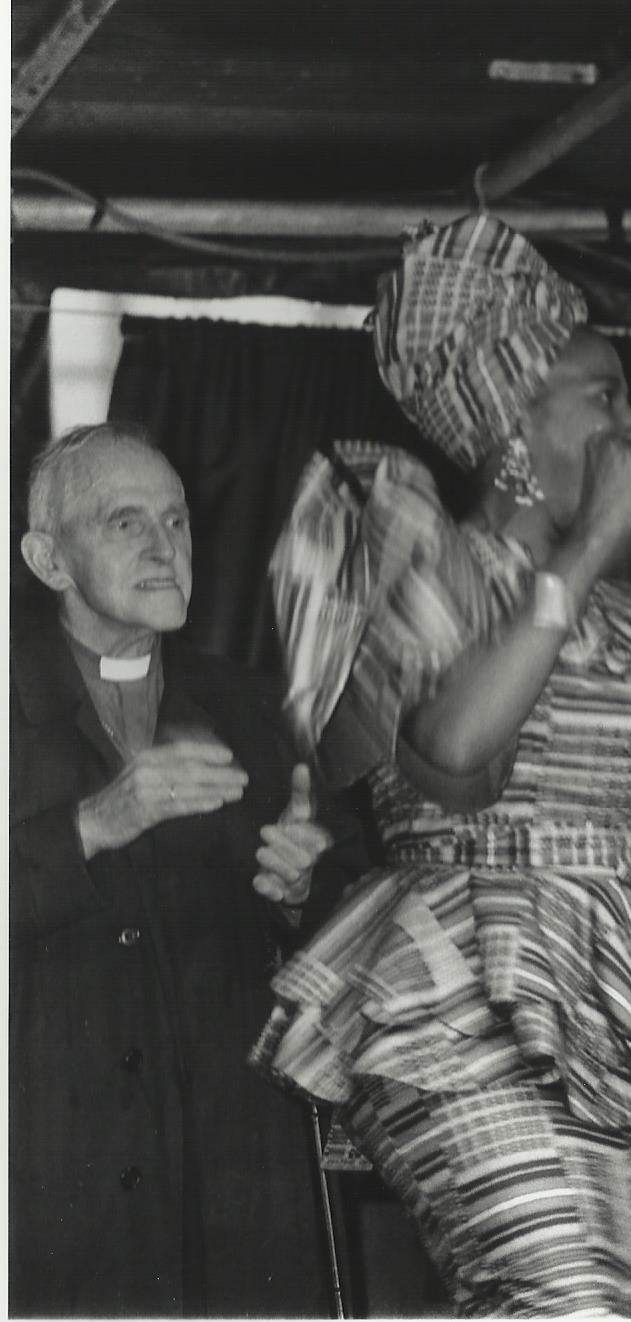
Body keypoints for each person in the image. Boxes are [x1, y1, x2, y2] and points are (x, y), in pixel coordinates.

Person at [250, 215, 631, 1316]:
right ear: (514, 421)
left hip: (627, 1002)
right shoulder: (413, 544)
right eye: (604, 395)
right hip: (462, 997)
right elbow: (452, 758)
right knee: (559, 1300)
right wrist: (588, 542)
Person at [11, 421, 351, 1315]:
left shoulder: (253, 706)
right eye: (126, 523)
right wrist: (96, 821)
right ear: (48, 560)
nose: (167, 549)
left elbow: (343, 916)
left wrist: (302, 891)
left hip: (232, 1173)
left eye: (177, 521)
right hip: (49, 1170)